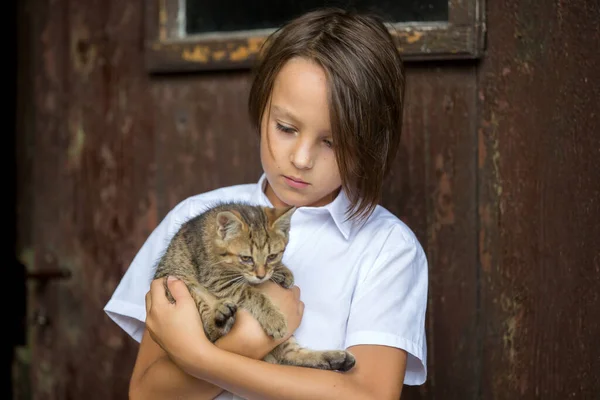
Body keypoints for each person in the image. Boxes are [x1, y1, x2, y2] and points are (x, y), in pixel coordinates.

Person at [104, 7, 428, 400]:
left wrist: (200, 357)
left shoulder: (387, 248)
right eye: (286, 128)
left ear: (369, 145)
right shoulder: (195, 221)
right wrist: (247, 341)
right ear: (261, 111)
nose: (302, 158)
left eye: (333, 141)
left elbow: (369, 395)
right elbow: (147, 393)